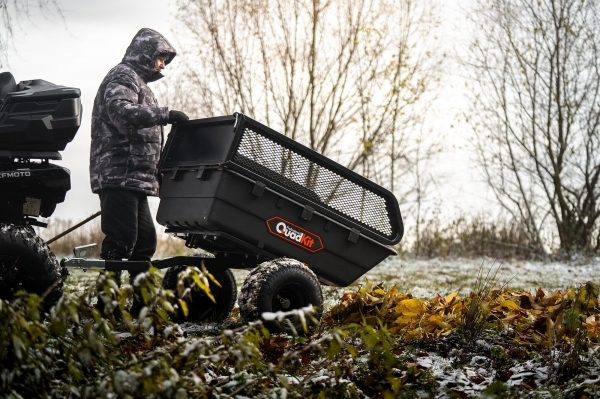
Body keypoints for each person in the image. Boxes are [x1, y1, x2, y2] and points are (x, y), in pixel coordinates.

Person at [89, 28, 188, 313]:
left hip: (135, 179)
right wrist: (165, 115)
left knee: (144, 243)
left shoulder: (140, 84)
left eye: (165, 60)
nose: (163, 64)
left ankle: (143, 310)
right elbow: (120, 112)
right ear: (145, 53)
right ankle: (105, 307)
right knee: (121, 240)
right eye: (160, 57)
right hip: (119, 174)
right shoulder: (123, 76)